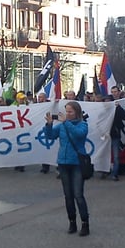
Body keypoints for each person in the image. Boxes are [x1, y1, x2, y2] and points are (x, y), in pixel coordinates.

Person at [44, 100, 90, 236]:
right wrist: (49, 125)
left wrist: (66, 122)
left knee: (78, 195)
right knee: (68, 196)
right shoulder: (62, 126)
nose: (68, 114)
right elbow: (50, 136)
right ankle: (72, 222)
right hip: (63, 163)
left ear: (76, 112)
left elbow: (79, 134)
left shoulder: (83, 124)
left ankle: (85, 223)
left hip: (77, 164)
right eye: (66, 111)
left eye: (70, 112)